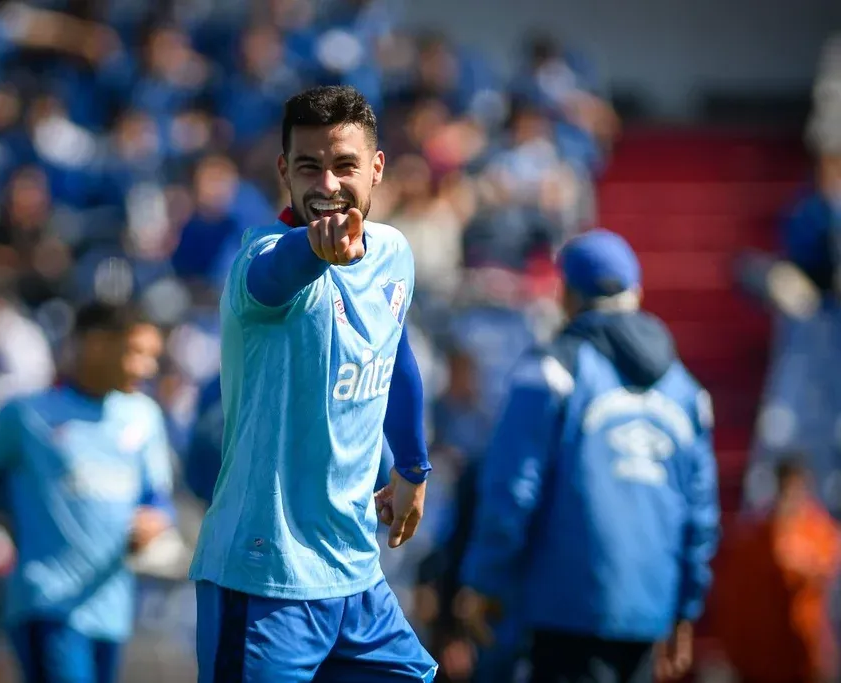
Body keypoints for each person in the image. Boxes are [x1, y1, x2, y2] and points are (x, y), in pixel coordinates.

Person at [189, 84, 438, 682]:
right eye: (309, 167)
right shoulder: (258, 261)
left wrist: (412, 468)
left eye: (344, 165)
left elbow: (395, 352)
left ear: (377, 168)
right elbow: (278, 274)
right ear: (284, 172)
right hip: (264, 581)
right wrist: (313, 249)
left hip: (358, 578)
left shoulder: (393, 253)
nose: (327, 184)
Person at [458, 229, 721, 683]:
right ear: (637, 293)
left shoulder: (551, 370)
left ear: (566, 296)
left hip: (563, 614)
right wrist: (684, 609)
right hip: (649, 612)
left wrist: (485, 579)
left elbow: (514, 489)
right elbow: (701, 515)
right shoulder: (687, 390)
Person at [0, 301, 176, 683]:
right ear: (95, 344)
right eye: (135, 352)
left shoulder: (144, 416)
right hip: (47, 600)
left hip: (110, 605)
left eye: (152, 356)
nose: (146, 368)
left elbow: (158, 497)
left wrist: (157, 519)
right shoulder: (26, 414)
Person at [712, 455, 841, 683]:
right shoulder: (757, 536)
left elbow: (822, 567)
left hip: (804, 650)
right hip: (765, 654)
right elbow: (738, 594)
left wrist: (796, 559)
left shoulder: (818, 528)